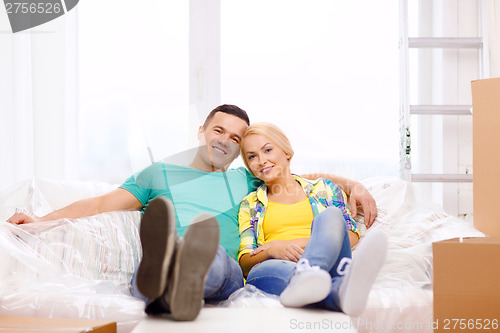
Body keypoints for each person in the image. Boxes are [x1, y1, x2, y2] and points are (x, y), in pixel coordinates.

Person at [7, 105, 378, 321]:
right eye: (219, 130)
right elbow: (101, 204)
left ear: (242, 152)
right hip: (173, 257)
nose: (225, 141)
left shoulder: (246, 180)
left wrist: (353, 185)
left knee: (213, 257)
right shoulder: (159, 173)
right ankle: (166, 270)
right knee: (177, 258)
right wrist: (41, 219)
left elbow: (300, 177)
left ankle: (173, 284)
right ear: (201, 131)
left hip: (227, 269)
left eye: (236, 139)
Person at [238, 122, 387, 316]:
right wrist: (274, 249)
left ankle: (309, 271)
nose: (261, 160)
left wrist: (300, 244)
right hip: (277, 265)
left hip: (328, 260)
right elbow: (245, 261)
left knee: (332, 216)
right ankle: (337, 291)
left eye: (267, 150)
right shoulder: (250, 203)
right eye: (252, 156)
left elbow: (350, 236)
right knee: (262, 271)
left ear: (286, 152)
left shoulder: (324, 188)